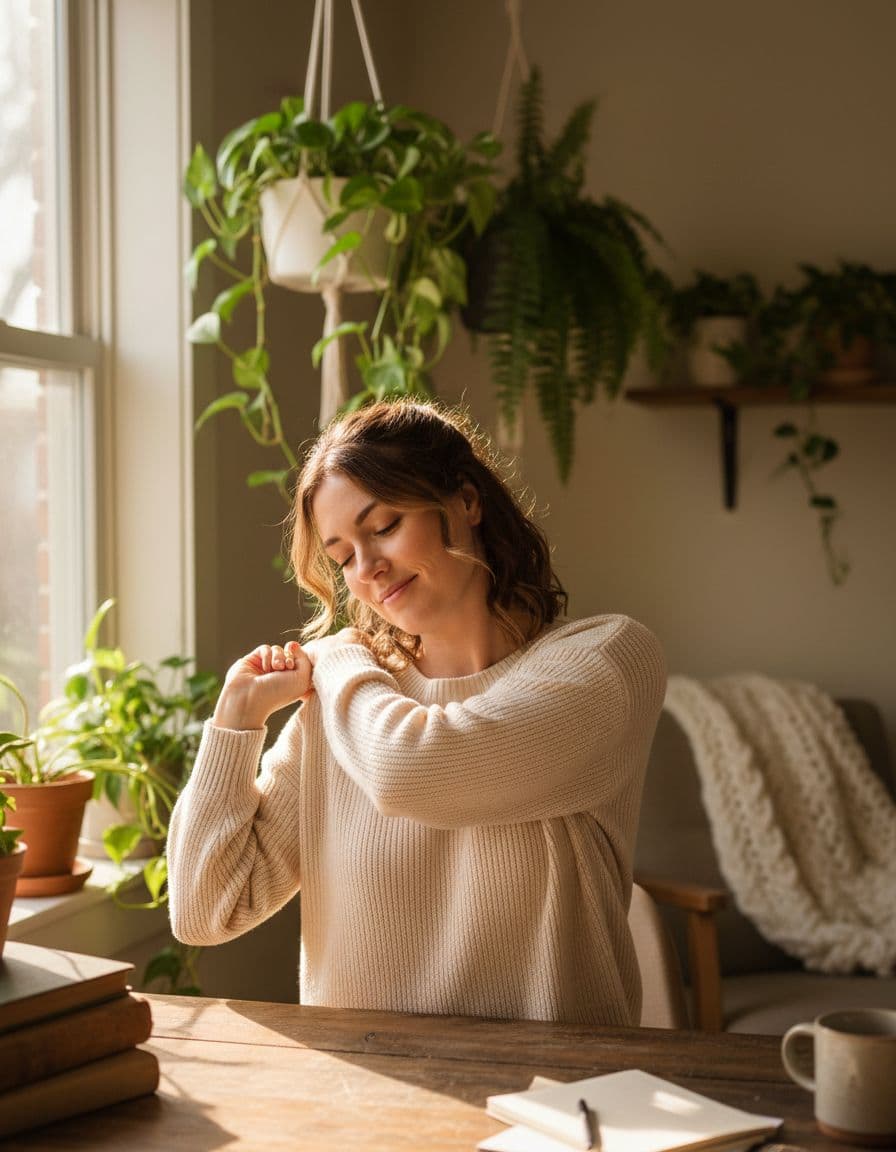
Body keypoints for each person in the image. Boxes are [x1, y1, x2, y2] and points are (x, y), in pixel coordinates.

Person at [167, 399, 666, 1025]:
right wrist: (234, 724)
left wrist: (341, 655)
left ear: (466, 501)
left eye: (385, 526)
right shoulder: (349, 712)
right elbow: (205, 909)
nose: (368, 570)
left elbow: (416, 767)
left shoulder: (608, 661)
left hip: (556, 1098)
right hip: (370, 1096)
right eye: (343, 556)